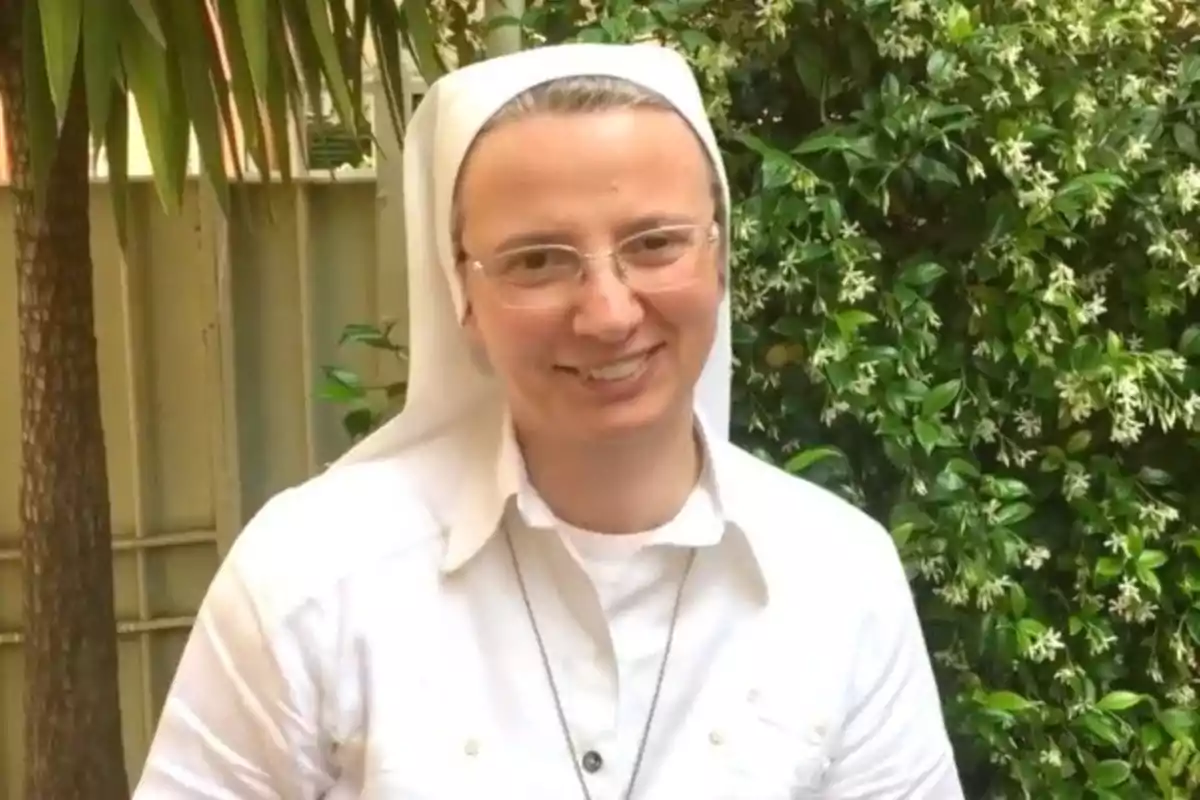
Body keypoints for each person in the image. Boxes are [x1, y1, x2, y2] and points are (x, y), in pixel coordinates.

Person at [132, 42, 964, 799]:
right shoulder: (310, 579)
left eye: (654, 243)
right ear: (462, 294)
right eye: (537, 260)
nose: (607, 313)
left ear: (719, 259)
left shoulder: (839, 578)